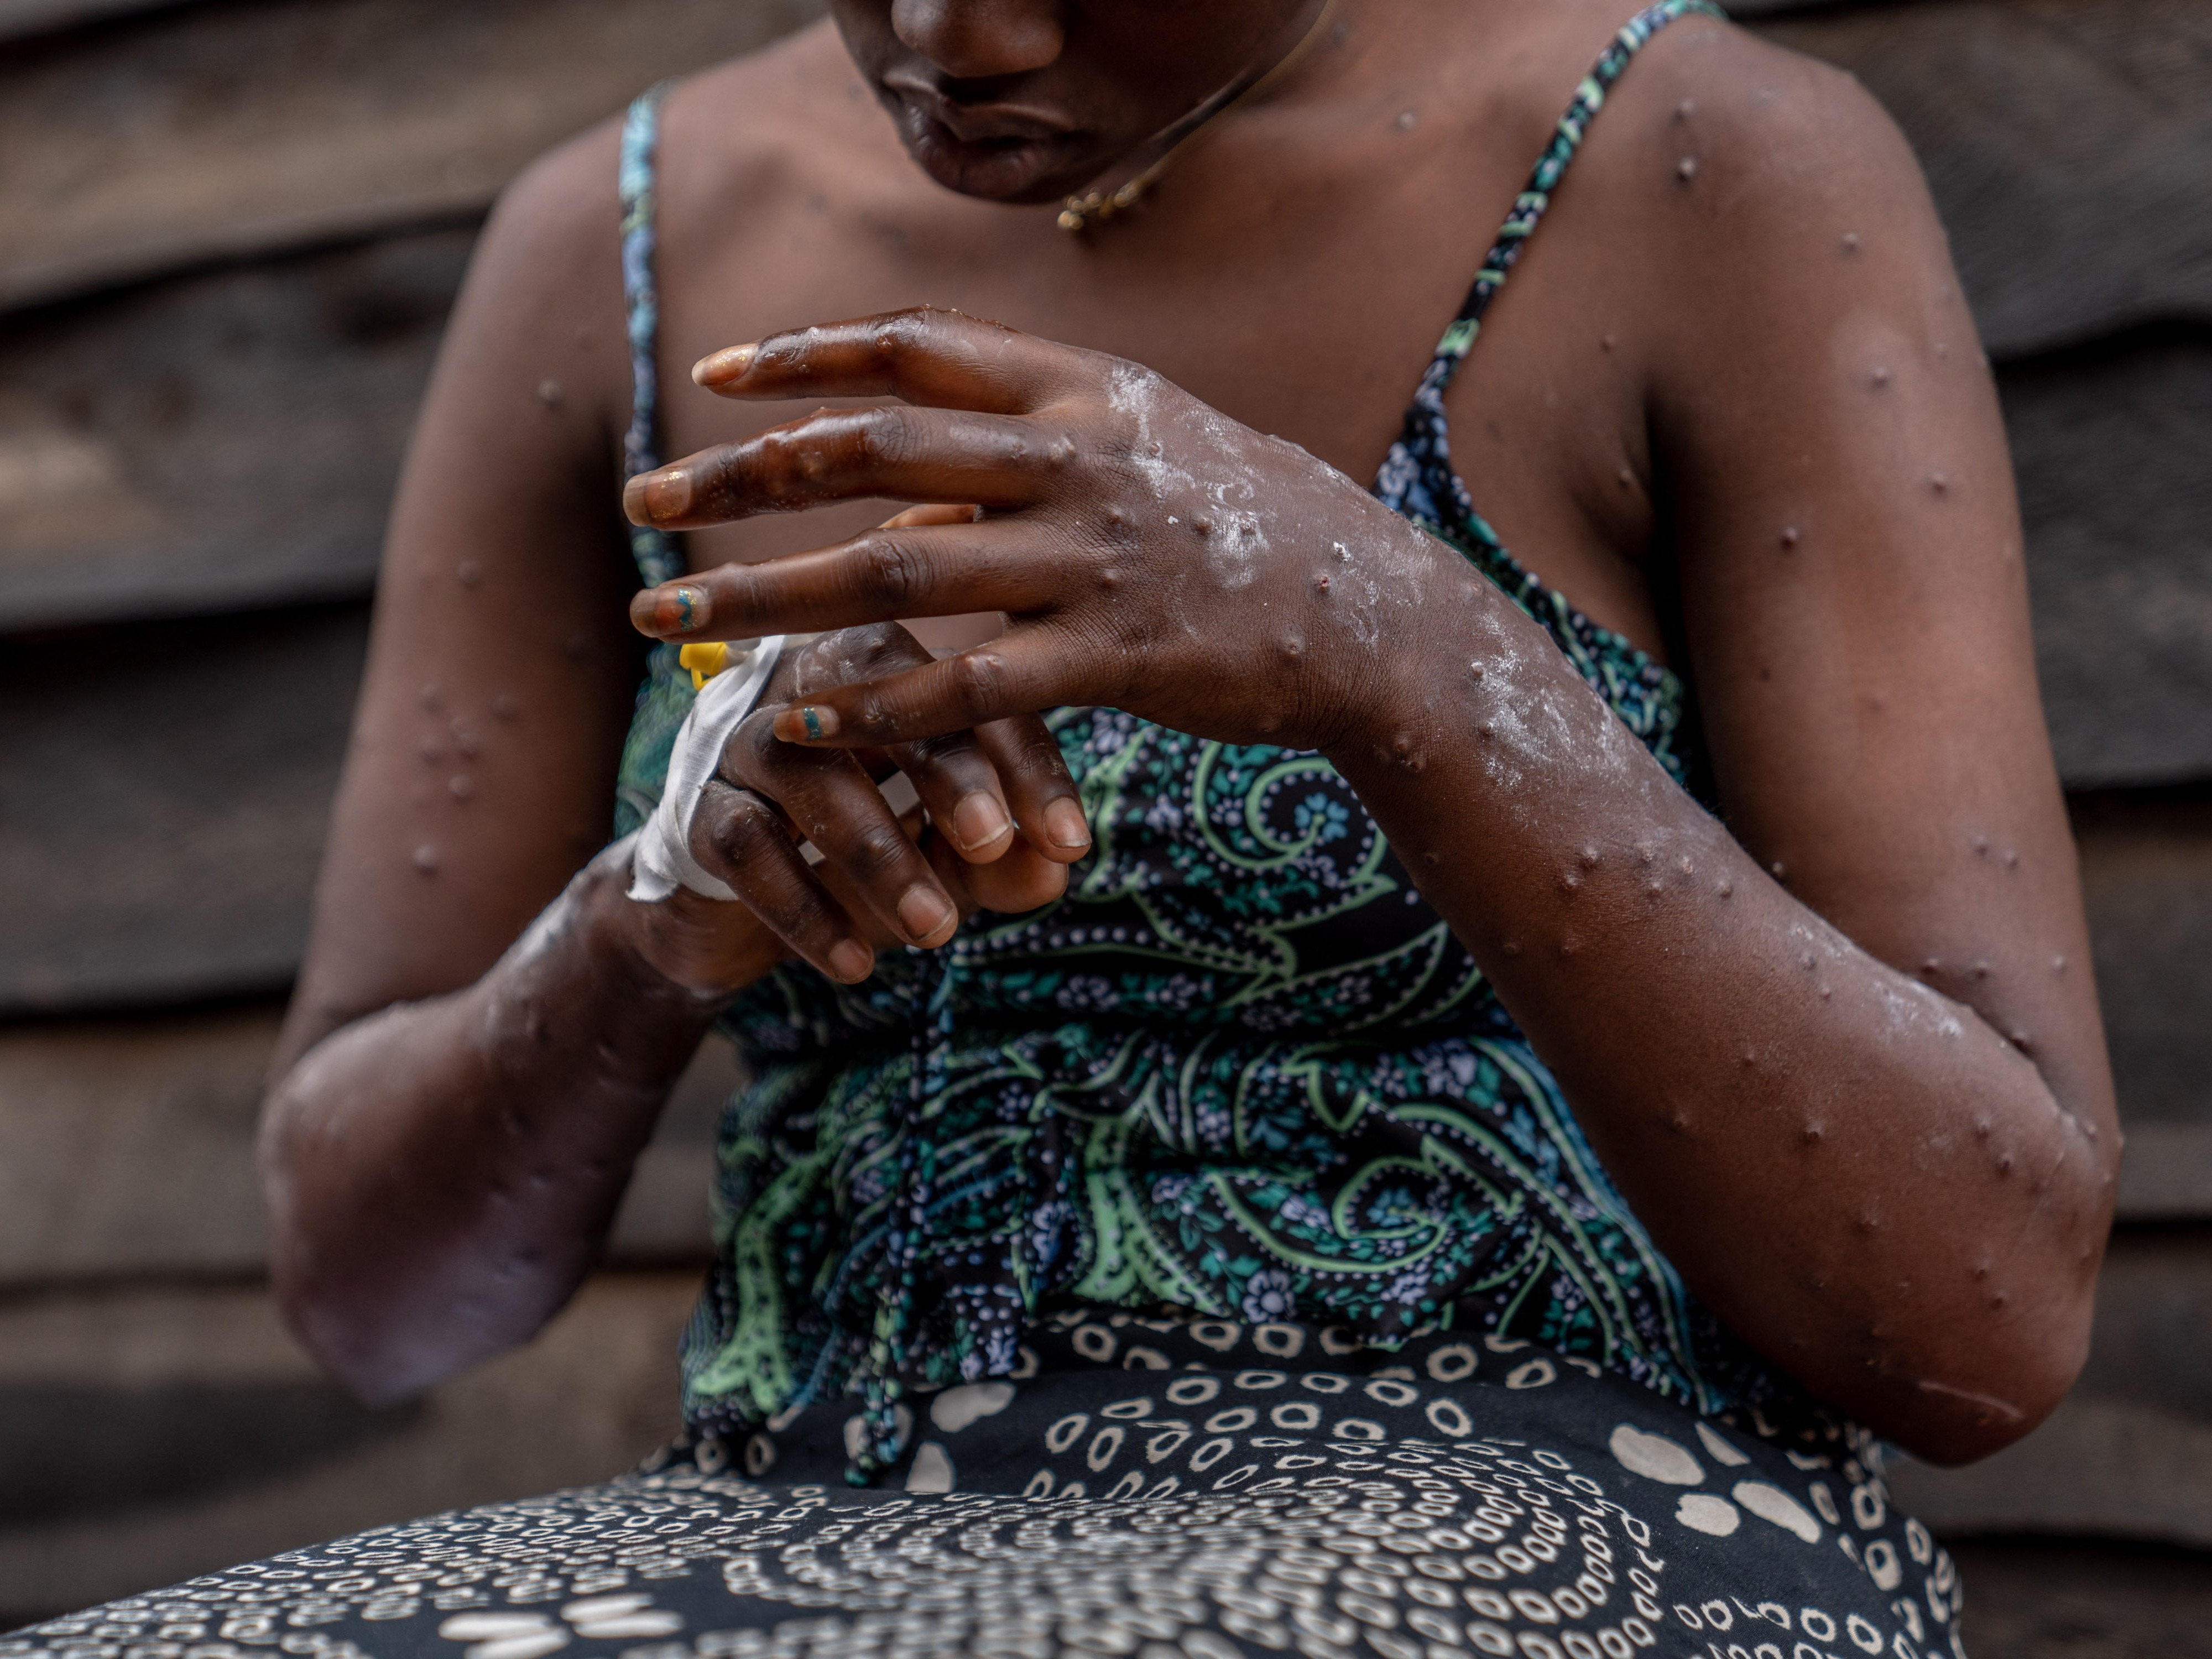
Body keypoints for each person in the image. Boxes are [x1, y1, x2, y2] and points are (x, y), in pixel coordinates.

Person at [11, 2, 2116, 1655]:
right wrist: (655, 913)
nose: (965, 35)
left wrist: (1391, 647)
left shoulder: (1709, 170)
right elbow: (374, 1293)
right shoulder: (612, 249)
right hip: (793, 1547)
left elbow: (1981, 1314)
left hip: (1555, 1515)